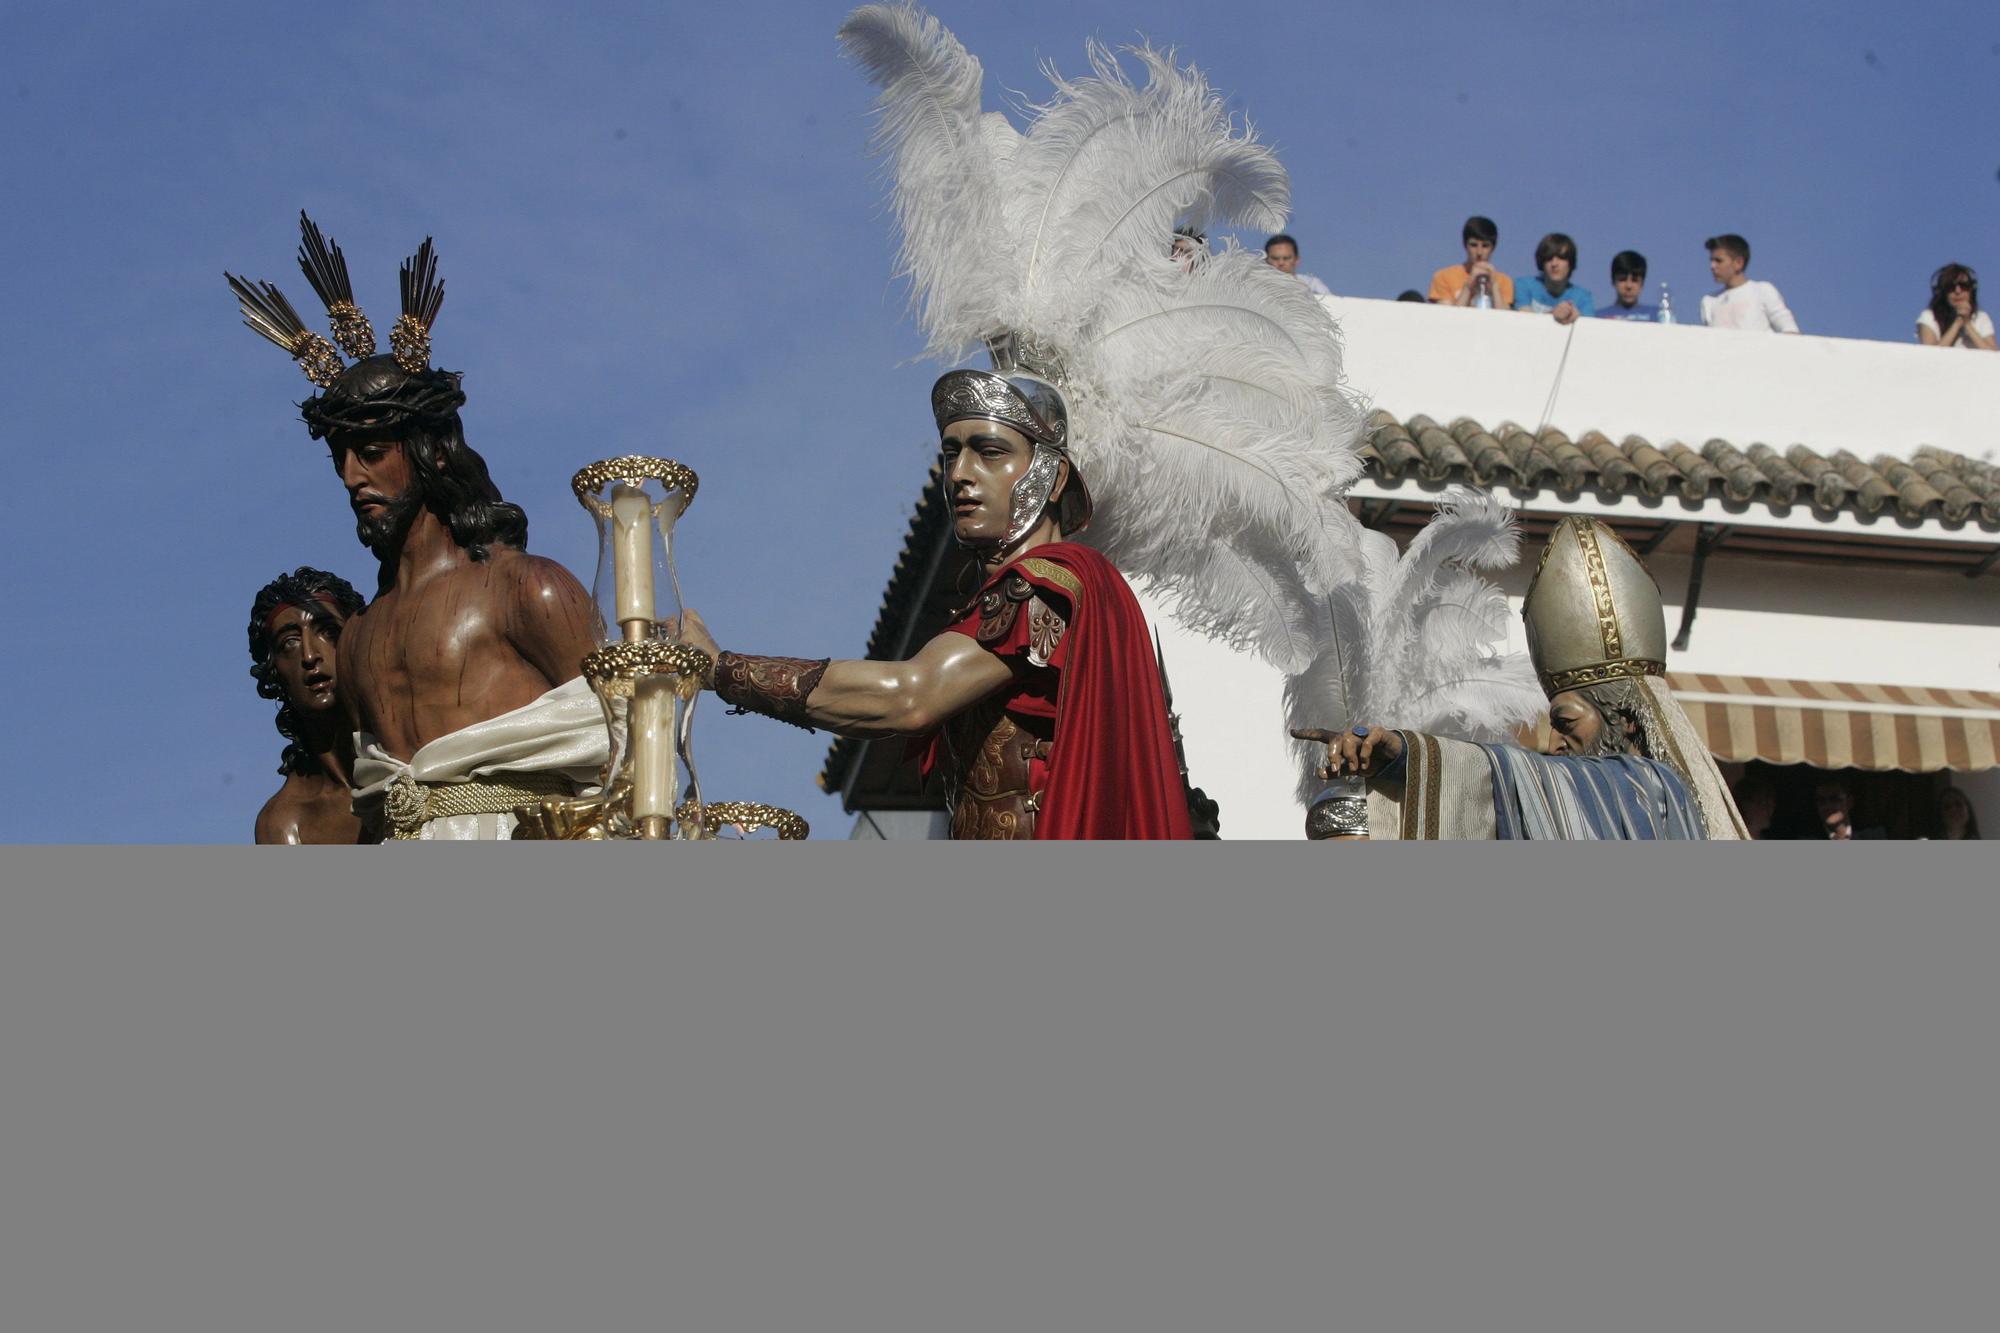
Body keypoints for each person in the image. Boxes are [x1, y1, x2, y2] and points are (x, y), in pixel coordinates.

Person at [674, 343, 1189, 839]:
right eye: (952, 453)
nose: (960, 474)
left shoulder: (1049, 584)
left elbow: (910, 696)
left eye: (989, 452)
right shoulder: (1063, 590)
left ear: (1051, 477)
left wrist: (722, 669)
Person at [229, 215, 608, 839]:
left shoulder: (527, 590)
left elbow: (625, 749)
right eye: (341, 458)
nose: (352, 477)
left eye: (372, 453)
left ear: (428, 452)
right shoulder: (359, 638)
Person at [1296, 516, 1747, 839]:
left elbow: (1511, 778)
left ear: (1627, 720)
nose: (1553, 745)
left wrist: (1402, 753)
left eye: (1567, 723)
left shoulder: (1654, 790)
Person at [248, 567, 369, 844]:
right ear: (274, 673)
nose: (310, 654)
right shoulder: (286, 823)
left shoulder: (414, 758)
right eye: (289, 642)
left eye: (327, 631)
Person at [1699, 233, 1798, 332]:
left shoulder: (1762, 290)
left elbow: (1789, 330)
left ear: (1738, 263)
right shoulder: (1709, 301)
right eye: (1711, 261)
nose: (1712, 266)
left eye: (1718, 261)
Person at [1429, 216, 1514, 309]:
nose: (1479, 252)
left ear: (1493, 248)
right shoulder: (1444, 276)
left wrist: (1494, 286)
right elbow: (1447, 318)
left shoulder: (1504, 281)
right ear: (1465, 245)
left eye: (1485, 246)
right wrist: (1469, 285)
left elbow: (1505, 318)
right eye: (1473, 245)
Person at [1514, 232, 1595, 324]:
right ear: (1542, 263)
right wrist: (1553, 315)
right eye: (1549, 259)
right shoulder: (1523, 285)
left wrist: (1576, 318)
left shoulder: (1583, 297)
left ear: (1570, 263)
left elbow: (1587, 328)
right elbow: (1525, 321)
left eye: (1561, 258)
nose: (1554, 264)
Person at [1915, 264, 1996, 350]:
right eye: (1951, 287)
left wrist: (1967, 324)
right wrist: (1957, 323)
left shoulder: (1981, 317)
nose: (1958, 291)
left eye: (1964, 286)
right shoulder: (1929, 317)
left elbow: (1992, 354)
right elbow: (1931, 354)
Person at [1596, 250, 1659, 322]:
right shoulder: (1597, 318)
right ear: (1613, 281)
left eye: (1634, 280)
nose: (1629, 286)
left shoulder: (1658, 316)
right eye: (1622, 279)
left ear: (1642, 283)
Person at [1813, 777, 1884, 840]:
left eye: (1834, 799)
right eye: (1821, 800)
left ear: (1849, 802)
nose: (1827, 806)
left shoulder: (1874, 835)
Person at [1264, 232, 1332, 295]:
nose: (1281, 263)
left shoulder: (1312, 285)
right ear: (1266, 261)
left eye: (1286, 258)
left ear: (1297, 260)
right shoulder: (1256, 288)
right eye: (1275, 258)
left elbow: (1330, 304)